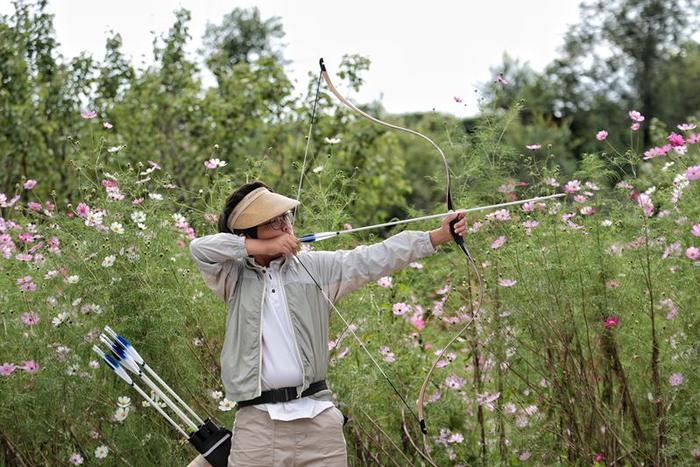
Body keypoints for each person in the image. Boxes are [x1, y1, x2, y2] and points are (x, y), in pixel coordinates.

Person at [188, 181, 466, 467]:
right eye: (272, 222)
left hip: (319, 424)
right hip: (258, 426)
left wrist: (437, 236)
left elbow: (373, 257)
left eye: (285, 218)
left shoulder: (316, 267)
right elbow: (200, 248)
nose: (285, 226)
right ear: (248, 233)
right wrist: (261, 246)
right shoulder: (232, 277)